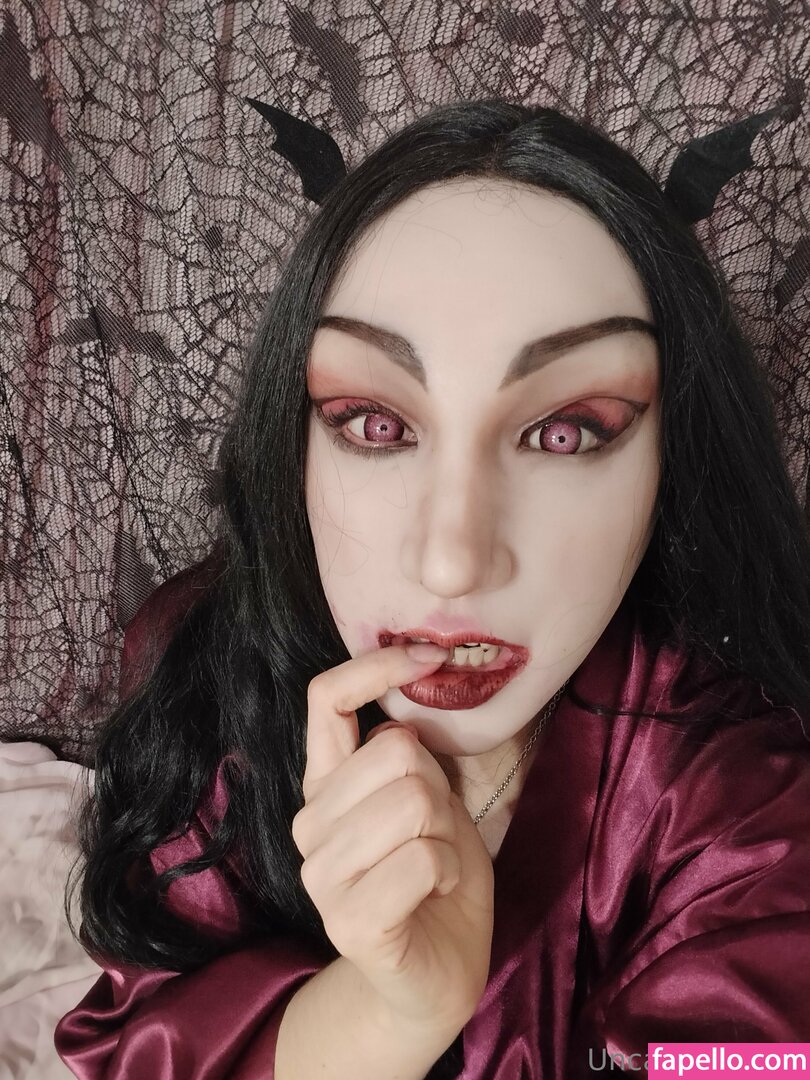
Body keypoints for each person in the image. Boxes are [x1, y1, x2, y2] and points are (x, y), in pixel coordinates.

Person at [55, 99, 810, 1079]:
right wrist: (386, 1015)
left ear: (674, 459)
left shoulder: (742, 803)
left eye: (566, 431)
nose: (452, 564)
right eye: (376, 423)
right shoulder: (212, 665)